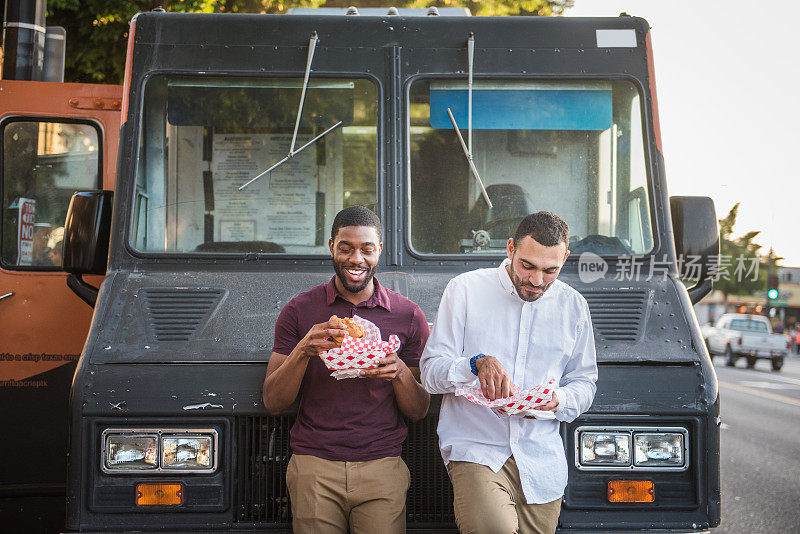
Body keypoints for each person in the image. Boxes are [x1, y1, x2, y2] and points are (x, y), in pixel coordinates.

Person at [420, 211, 597, 534]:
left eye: (550, 270)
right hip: (476, 448)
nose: (536, 280)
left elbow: (585, 383)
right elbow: (430, 373)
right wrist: (474, 364)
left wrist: (556, 398)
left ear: (565, 259)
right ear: (510, 248)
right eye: (527, 266)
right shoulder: (465, 290)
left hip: (541, 461)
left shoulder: (574, 307)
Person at [263, 206, 430, 534]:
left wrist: (399, 372)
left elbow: (420, 410)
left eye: (367, 249)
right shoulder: (299, 311)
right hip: (313, 467)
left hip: (382, 466)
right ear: (331, 247)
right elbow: (273, 402)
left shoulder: (408, 316)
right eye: (346, 248)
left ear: (379, 251)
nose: (356, 258)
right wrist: (304, 350)